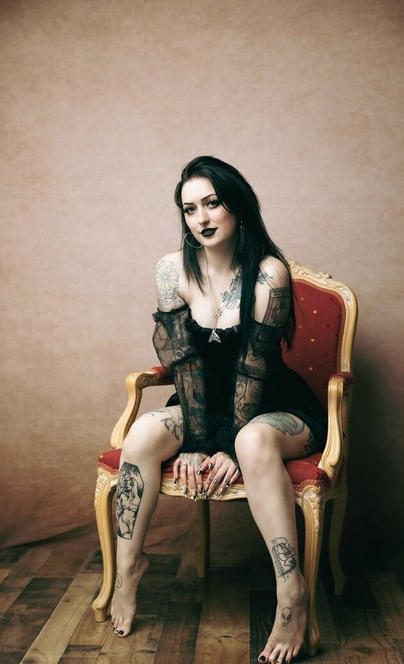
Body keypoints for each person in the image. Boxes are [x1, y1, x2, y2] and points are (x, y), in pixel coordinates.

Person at [110, 156, 327, 664]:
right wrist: (198, 441)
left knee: (251, 439)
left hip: (275, 406)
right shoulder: (172, 270)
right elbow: (185, 367)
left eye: (212, 203)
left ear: (238, 206)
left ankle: (291, 592)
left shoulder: (268, 273)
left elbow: (254, 372)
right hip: (203, 406)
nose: (202, 218)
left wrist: (226, 446)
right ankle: (126, 569)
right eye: (190, 209)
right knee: (141, 433)